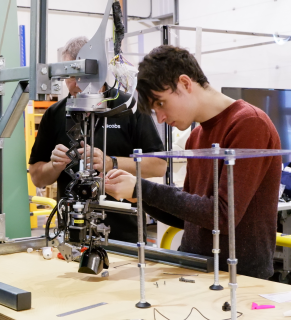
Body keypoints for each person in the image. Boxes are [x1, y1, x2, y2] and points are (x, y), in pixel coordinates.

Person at [105, 45, 282, 279]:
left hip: (240, 277)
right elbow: (189, 216)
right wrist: (138, 196)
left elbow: (222, 216)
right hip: (196, 268)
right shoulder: (196, 137)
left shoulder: (249, 123)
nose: (160, 118)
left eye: (160, 103)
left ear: (185, 84)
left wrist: (142, 188)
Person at [28, 36, 167, 243]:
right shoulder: (55, 114)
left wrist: (111, 162)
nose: (73, 84)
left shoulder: (129, 107)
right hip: (71, 234)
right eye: (69, 75)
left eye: (80, 76)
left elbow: (159, 165)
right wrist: (54, 166)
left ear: (99, 72)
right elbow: (38, 178)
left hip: (124, 234)